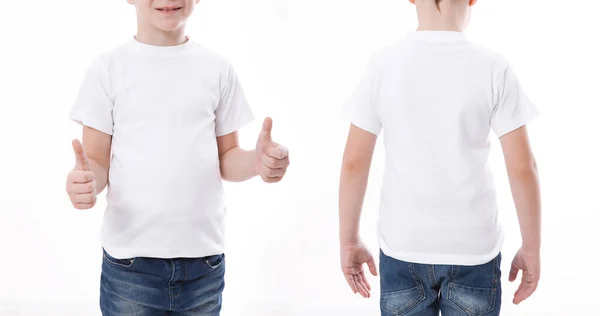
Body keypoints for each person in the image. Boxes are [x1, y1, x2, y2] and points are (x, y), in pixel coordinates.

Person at [65, 1, 290, 314]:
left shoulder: (216, 69)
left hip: (204, 267)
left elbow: (227, 157)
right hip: (131, 267)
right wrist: (86, 182)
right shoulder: (108, 69)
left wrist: (256, 162)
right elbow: (96, 161)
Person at [338, 0, 541, 315]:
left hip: (403, 247)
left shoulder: (383, 65)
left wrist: (349, 240)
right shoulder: (493, 67)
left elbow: (353, 163)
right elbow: (522, 168)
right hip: (475, 251)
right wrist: (531, 248)